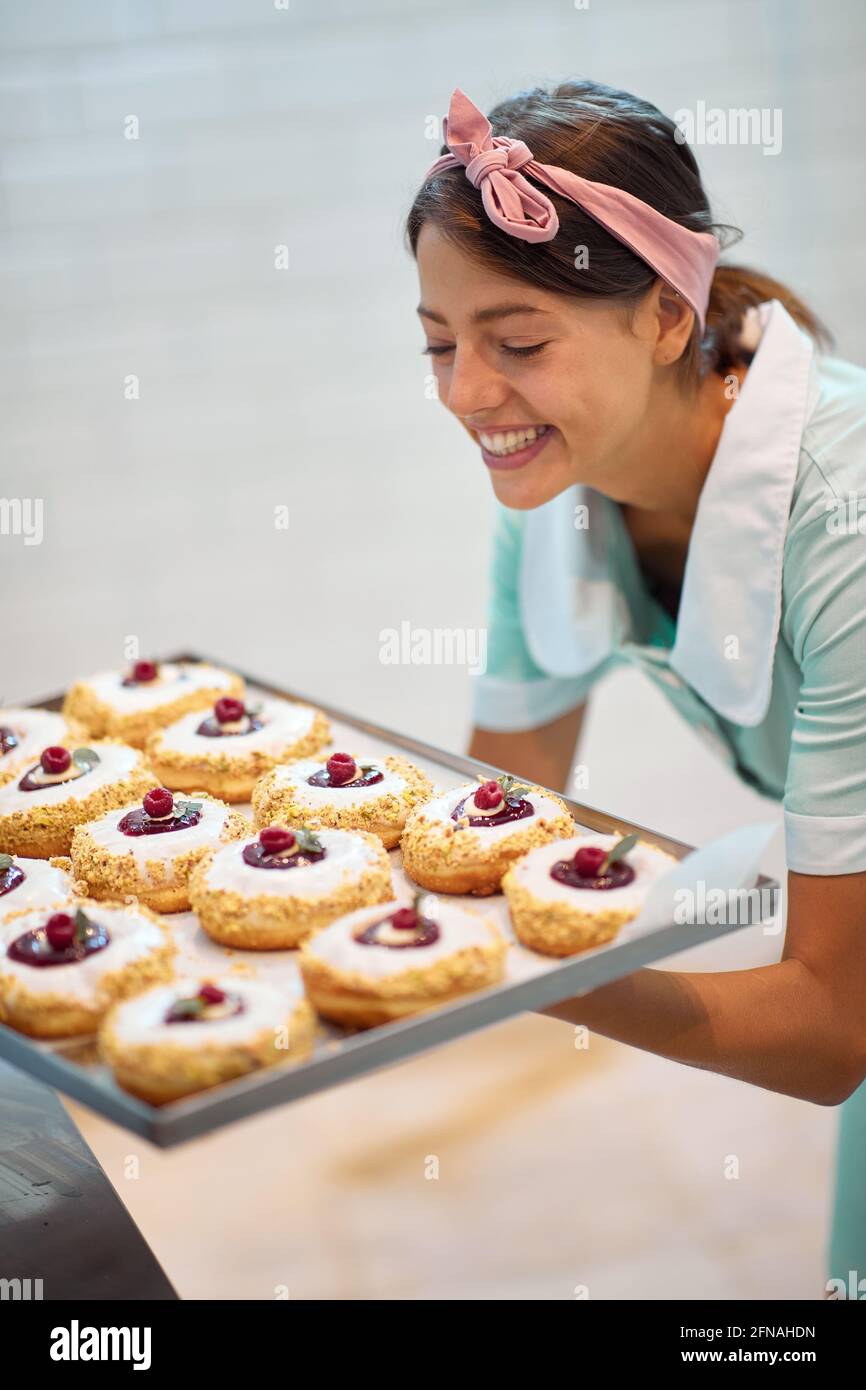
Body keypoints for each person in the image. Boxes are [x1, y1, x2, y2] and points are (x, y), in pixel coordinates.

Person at [406, 82, 866, 1292]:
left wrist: (516, 970)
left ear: (667, 313)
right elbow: (493, 824)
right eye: (440, 344)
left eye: (516, 344)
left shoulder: (845, 521)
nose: (464, 395)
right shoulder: (565, 479)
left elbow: (828, 1029)